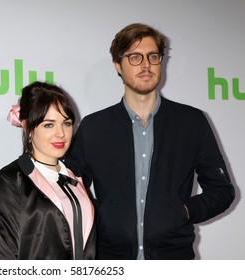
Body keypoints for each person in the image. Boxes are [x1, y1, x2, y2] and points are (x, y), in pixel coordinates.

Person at [69, 23, 235, 260]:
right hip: (111, 260)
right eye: (135, 57)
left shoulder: (192, 122)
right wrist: (102, 216)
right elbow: (71, 190)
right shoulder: (93, 127)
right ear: (118, 64)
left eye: (152, 56)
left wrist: (184, 211)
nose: (146, 65)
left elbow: (222, 190)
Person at [0, 81, 96, 260]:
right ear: (27, 127)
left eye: (66, 123)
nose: (61, 133)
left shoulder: (75, 175)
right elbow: (3, 254)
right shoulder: (11, 181)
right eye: (49, 125)